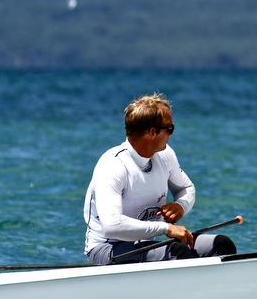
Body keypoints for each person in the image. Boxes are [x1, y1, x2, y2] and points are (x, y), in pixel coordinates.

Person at [83, 93, 236, 265]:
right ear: (152, 132)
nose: (171, 134)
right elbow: (112, 226)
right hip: (107, 249)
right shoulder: (113, 165)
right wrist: (166, 228)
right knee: (178, 252)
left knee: (221, 245)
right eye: (170, 129)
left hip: (147, 244)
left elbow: (186, 188)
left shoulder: (165, 155)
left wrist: (180, 205)